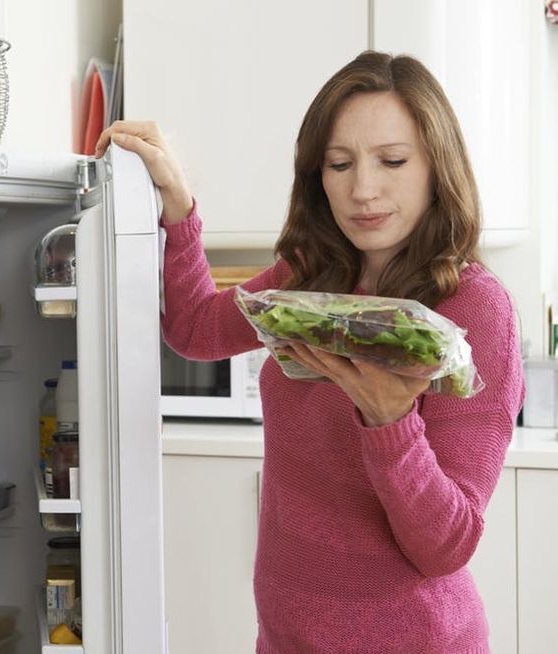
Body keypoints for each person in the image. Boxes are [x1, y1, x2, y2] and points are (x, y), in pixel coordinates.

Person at [96, 50, 525, 653]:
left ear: (437, 166)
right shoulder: (310, 274)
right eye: (339, 164)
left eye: (392, 161)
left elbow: (446, 546)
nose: (363, 189)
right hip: (287, 637)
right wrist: (177, 201)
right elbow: (196, 329)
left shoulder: (476, 309)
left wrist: (390, 419)